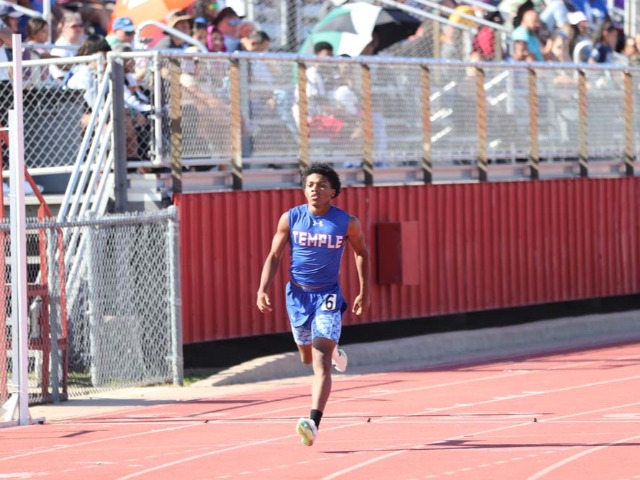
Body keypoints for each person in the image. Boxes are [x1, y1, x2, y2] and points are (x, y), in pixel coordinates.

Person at [256, 162, 371, 447]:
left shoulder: (347, 222)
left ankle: (313, 422)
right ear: (303, 190)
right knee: (306, 357)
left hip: (327, 296)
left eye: (321, 185)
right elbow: (274, 255)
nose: (314, 190)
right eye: (309, 185)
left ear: (333, 192)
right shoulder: (291, 218)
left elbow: (361, 253)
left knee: (320, 360)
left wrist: (363, 291)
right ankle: (334, 349)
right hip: (297, 296)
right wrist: (262, 289)